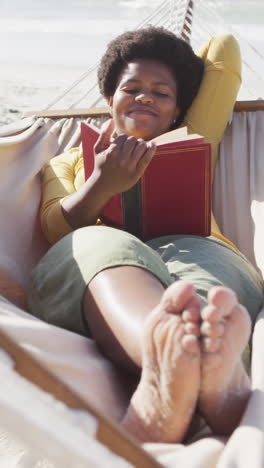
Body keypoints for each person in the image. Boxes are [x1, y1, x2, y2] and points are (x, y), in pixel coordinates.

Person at [28, 26, 263, 443]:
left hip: (195, 246)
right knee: (94, 244)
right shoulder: (68, 161)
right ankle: (174, 362)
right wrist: (101, 181)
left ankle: (208, 370)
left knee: (203, 277)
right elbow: (53, 225)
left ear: (177, 111)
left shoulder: (193, 139)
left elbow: (223, 49)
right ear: (109, 100)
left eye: (162, 92)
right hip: (104, 262)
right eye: (131, 87)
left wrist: (167, 59)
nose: (145, 97)